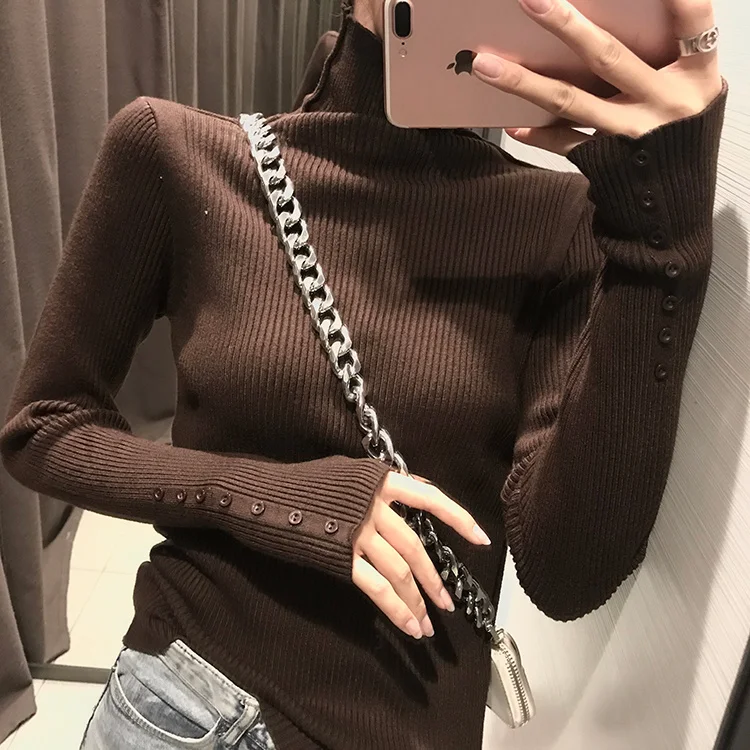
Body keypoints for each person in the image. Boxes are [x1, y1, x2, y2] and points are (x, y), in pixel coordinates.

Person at [0, 0, 726, 748]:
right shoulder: (177, 152)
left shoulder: (560, 223)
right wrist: (286, 501)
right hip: (187, 704)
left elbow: (569, 576)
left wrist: (661, 246)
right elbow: (43, 429)